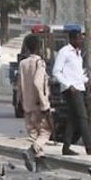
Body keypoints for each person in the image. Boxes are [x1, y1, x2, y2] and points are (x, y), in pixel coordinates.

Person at [53, 30, 91, 155]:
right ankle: (89, 147)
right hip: (71, 90)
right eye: (79, 38)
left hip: (79, 88)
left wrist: (85, 81)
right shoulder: (64, 52)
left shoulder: (78, 54)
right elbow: (56, 71)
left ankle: (66, 147)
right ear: (72, 39)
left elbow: (77, 74)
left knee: (73, 118)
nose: (81, 41)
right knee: (83, 117)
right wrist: (68, 86)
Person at [18, 36, 52, 172]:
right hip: (38, 104)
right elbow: (38, 84)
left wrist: (19, 102)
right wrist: (44, 104)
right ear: (38, 47)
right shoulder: (39, 63)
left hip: (27, 104)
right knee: (46, 132)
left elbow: (19, 85)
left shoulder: (23, 63)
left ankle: (40, 163)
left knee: (34, 133)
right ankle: (32, 151)